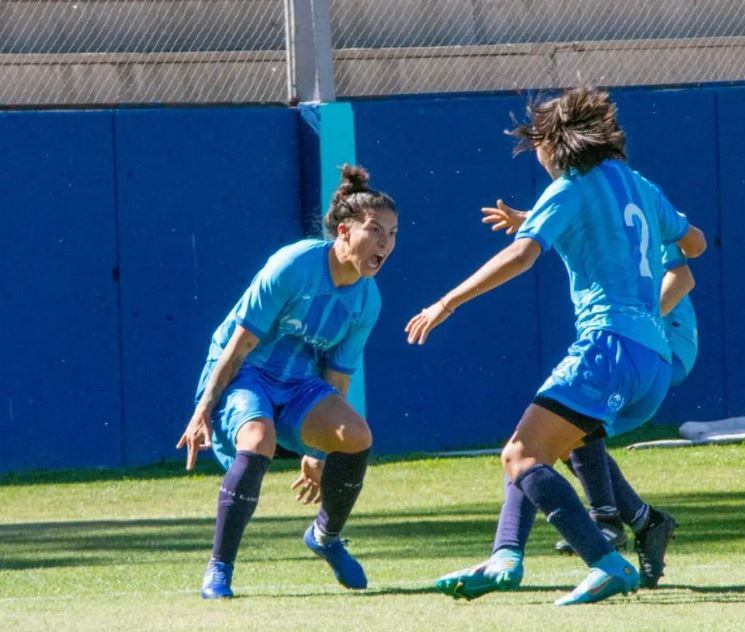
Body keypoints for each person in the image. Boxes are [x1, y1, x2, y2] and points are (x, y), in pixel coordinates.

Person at [405, 86, 706, 606]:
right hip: (652, 362)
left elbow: (522, 257)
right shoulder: (638, 186)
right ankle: (509, 554)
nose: (539, 157)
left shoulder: (570, 188)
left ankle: (606, 559)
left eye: (538, 145)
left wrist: (447, 302)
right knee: (544, 444)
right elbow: (695, 243)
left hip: (609, 345)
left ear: (555, 144)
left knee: (522, 453)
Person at [177, 165, 398, 599]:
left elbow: (336, 377)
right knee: (258, 438)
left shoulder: (368, 301)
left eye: (392, 232)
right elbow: (238, 347)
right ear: (342, 232)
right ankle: (219, 568)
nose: (385, 242)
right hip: (246, 374)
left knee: (356, 436)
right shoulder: (293, 265)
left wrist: (320, 452)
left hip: (298, 385)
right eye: (374, 230)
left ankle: (326, 537)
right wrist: (202, 411)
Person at [482, 202, 698, 588]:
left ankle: (607, 520)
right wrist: (533, 220)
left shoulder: (638, 197)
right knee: (558, 434)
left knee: (548, 435)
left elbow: (681, 278)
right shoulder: (610, 195)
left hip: (661, 342)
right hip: (638, 342)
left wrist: (640, 324)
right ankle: (643, 521)